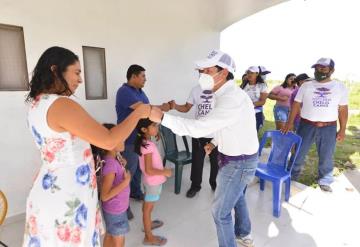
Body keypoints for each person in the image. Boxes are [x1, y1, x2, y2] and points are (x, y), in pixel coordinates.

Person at [23, 47, 153, 246]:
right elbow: (109, 141)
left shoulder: (36, 103)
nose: (80, 79)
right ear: (55, 70)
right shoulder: (61, 105)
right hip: (67, 195)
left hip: (51, 188)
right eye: (76, 72)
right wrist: (138, 113)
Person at [151, 50, 259, 247]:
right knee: (237, 197)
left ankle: (238, 237)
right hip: (235, 158)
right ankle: (244, 233)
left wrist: (161, 117)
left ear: (224, 72)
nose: (202, 75)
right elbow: (227, 126)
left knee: (220, 212)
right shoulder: (224, 94)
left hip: (239, 162)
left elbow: (200, 127)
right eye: (200, 71)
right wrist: (214, 143)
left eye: (207, 70)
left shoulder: (231, 99)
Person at [282, 58, 348, 192]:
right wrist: (289, 123)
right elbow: (296, 104)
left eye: (323, 68)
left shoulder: (340, 87)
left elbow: (343, 109)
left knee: (326, 154)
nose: (319, 71)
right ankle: (291, 175)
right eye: (317, 68)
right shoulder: (306, 85)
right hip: (306, 125)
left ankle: (325, 179)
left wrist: (342, 129)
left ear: (332, 70)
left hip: (329, 127)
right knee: (299, 152)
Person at [115, 64, 170, 219]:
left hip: (140, 138)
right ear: (133, 76)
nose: (145, 79)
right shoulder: (124, 92)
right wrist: (163, 107)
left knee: (139, 169)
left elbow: (147, 116)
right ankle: (122, 206)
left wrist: (154, 130)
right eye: (143, 76)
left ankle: (135, 193)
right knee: (128, 172)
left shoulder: (141, 92)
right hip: (129, 139)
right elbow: (145, 109)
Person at [168, 71, 219, 198]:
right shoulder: (195, 90)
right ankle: (195, 185)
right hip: (199, 132)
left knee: (216, 162)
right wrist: (175, 106)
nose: (202, 75)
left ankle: (215, 184)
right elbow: (186, 108)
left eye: (205, 73)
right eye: (200, 74)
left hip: (215, 133)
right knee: (197, 160)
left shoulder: (218, 89)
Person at [92, 124, 131, 247]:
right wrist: (125, 183)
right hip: (116, 210)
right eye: (120, 137)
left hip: (115, 209)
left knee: (110, 234)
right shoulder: (110, 164)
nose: (123, 138)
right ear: (109, 143)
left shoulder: (112, 159)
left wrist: (123, 164)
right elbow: (105, 196)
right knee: (119, 241)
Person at [134, 119, 172, 246]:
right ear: (144, 129)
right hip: (153, 183)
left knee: (147, 206)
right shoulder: (148, 146)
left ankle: (148, 224)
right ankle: (148, 236)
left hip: (149, 182)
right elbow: (149, 170)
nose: (157, 128)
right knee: (148, 210)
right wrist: (165, 172)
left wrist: (154, 135)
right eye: (154, 125)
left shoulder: (144, 143)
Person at [241, 66, 268, 132]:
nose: (249, 74)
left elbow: (262, 101)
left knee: (253, 133)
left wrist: (249, 105)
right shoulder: (243, 85)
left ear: (257, 74)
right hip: (243, 112)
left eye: (252, 73)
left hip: (256, 113)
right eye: (248, 73)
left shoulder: (262, 85)